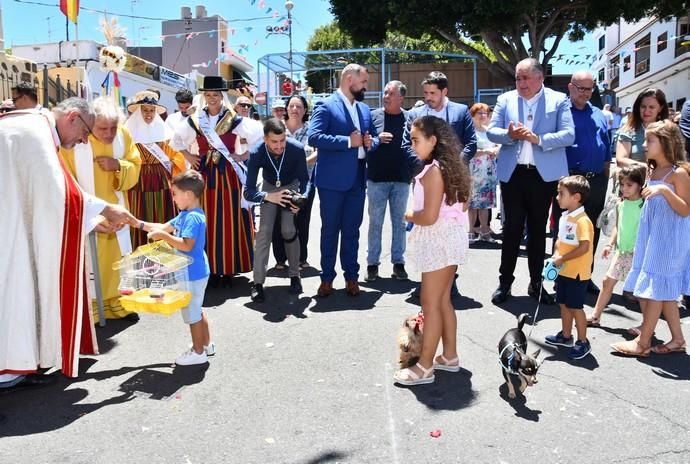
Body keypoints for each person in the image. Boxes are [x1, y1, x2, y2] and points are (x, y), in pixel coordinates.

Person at [0, 98, 137, 392]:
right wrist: (105, 210)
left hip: (12, 226)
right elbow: (60, 196)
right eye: (86, 131)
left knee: (19, 293)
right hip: (8, 230)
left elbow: (50, 197)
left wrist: (93, 218)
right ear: (73, 117)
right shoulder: (35, 134)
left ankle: (15, 365)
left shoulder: (34, 127)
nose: (84, 140)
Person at [488, 58, 575, 305]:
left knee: (538, 231)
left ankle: (537, 284)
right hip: (513, 174)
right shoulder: (505, 100)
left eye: (526, 77)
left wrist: (539, 139)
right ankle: (505, 283)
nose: (521, 83)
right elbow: (491, 130)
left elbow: (569, 134)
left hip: (543, 176)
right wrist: (509, 135)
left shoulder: (558, 100)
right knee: (512, 230)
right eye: (518, 78)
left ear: (540, 78)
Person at [393, 116, 471, 385]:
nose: (412, 145)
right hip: (448, 239)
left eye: (416, 140)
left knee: (430, 303)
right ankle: (449, 356)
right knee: (442, 301)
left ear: (433, 141)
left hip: (440, 241)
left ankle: (425, 366)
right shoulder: (444, 168)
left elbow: (429, 216)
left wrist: (408, 214)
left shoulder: (434, 171)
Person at [172, 76, 263, 287]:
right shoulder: (195, 120)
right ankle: (210, 267)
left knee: (229, 217)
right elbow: (176, 139)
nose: (211, 99)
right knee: (206, 218)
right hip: (205, 174)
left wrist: (243, 155)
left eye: (215, 95)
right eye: (208, 95)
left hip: (229, 174)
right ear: (203, 97)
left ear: (221, 96)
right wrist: (188, 156)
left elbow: (258, 138)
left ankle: (229, 267)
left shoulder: (234, 118)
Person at [611, 121, 690, 357]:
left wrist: (665, 191)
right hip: (653, 236)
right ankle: (677, 339)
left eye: (650, 140)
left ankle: (642, 343)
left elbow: (686, 210)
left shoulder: (679, 173)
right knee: (663, 291)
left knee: (655, 289)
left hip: (669, 239)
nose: (644, 145)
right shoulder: (653, 169)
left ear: (666, 143)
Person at [60, 96, 142, 321]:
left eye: (113, 127)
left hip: (117, 208)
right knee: (90, 262)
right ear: (89, 123)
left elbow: (136, 164)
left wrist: (118, 165)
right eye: (102, 128)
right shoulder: (75, 138)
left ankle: (120, 302)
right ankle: (93, 309)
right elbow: (65, 177)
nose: (108, 134)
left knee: (118, 259)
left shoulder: (124, 135)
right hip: (88, 209)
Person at [307, 63, 379, 297]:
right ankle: (326, 278)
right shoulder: (326, 105)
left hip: (357, 178)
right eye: (364, 81)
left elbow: (373, 139)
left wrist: (370, 143)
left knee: (352, 231)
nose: (366, 86)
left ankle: (352, 277)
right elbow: (314, 137)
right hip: (331, 182)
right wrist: (348, 142)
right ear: (350, 79)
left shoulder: (365, 110)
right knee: (330, 231)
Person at [137, 171, 213, 365]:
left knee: (192, 313)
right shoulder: (186, 215)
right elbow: (163, 227)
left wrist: (164, 237)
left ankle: (198, 353)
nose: (173, 198)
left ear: (187, 194)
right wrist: (137, 223)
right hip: (196, 272)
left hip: (192, 274)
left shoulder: (192, 218)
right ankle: (206, 344)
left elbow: (186, 245)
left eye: (175, 193)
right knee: (198, 308)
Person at [245, 118, 309, 302]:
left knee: (288, 229)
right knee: (264, 232)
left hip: (290, 186)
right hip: (269, 188)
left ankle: (295, 275)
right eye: (274, 142)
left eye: (282, 140)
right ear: (265, 139)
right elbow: (248, 192)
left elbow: (305, 181)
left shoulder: (296, 148)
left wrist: (301, 199)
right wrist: (267, 196)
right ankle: (257, 283)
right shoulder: (256, 152)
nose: (279, 146)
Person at [563, 71, 611, 293]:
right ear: (570, 87)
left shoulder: (599, 114)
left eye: (589, 88)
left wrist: (605, 180)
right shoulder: (561, 112)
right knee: (568, 231)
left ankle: (585, 275)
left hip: (597, 182)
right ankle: (563, 277)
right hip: (572, 181)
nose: (585, 93)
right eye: (580, 88)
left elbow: (606, 149)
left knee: (591, 231)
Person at [125, 90, 187, 250]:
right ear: (139, 111)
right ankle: (139, 250)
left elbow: (177, 155)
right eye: (145, 110)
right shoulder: (127, 133)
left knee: (162, 212)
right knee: (139, 213)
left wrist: (172, 165)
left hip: (161, 180)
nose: (149, 114)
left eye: (152, 110)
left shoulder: (165, 132)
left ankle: (164, 251)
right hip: (138, 180)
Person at [365, 80, 413, 282]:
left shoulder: (410, 118)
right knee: (375, 223)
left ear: (401, 97)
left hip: (401, 179)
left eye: (390, 93)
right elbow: (365, 142)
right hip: (377, 179)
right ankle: (372, 264)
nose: (385, 96)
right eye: (385, 92)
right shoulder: (372, 116)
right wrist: (376, 140)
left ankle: (398, 263)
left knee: (399, 223)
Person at [587, 166, 645, 327]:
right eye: (622, 184)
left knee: (642, 292)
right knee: (607, 281)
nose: (624, 188)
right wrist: (609, 244)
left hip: (639, 253)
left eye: (629, 185)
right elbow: (617, 227)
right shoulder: (621, 204)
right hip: (621, 251)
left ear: (640, 185)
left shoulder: (644, 206)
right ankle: (595, 316)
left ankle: (646, 325)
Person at [544, 176, 595, 360]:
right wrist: (556, 255)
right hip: (564, 270)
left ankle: (583, 341)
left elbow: (584, 247)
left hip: (577, 273)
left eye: (561, 194)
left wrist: (562, 258)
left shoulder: (582, 221)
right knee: (563, 304)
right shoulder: (565, 217)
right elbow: (560, 240)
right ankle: (566, 336)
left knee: (576, 307)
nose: (557, 197)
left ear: (576, 197)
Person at [273, 94, 317, 269]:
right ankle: (280, 259)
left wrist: (300, 164)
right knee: (279, 220)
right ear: (286, 109)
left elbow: (318, 152)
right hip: (279, 183)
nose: (295, 110)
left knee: (302, 221)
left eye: (299, 107)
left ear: (305, 110)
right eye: (292, 106)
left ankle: (301, 258)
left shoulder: (312, 130)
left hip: (304, 182)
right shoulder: (278, 128)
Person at [402, 71, 477, 163]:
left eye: (432, 93)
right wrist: (423, 167)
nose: (428, 97)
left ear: (444, 91)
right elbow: (406, 146)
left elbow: (471, 143)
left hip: (455, 172)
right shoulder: (414, 114)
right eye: (426, 93)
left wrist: (456, 165)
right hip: (424, 172)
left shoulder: (461, 111)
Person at [467, 102, 499, 243]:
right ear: (472, 115)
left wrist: (496, 150)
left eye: (485, 113)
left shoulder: (488, 131)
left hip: (488, 171)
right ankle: (471, 231)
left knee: (486, 203)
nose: (483, 116)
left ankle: (485, 231)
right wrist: (486, 151)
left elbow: (497, 146)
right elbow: (468, 151)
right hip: (473, 172)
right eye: (479, 113)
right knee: (473, 203)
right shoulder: (469, 131)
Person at [616, 88, 669, 169]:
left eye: (651, 107)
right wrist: (648, 168)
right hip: (634, 179)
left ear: (660, 108)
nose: (646, 111)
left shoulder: (667, 130)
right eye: (643, 107)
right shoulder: (628, 130)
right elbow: (621, 160)